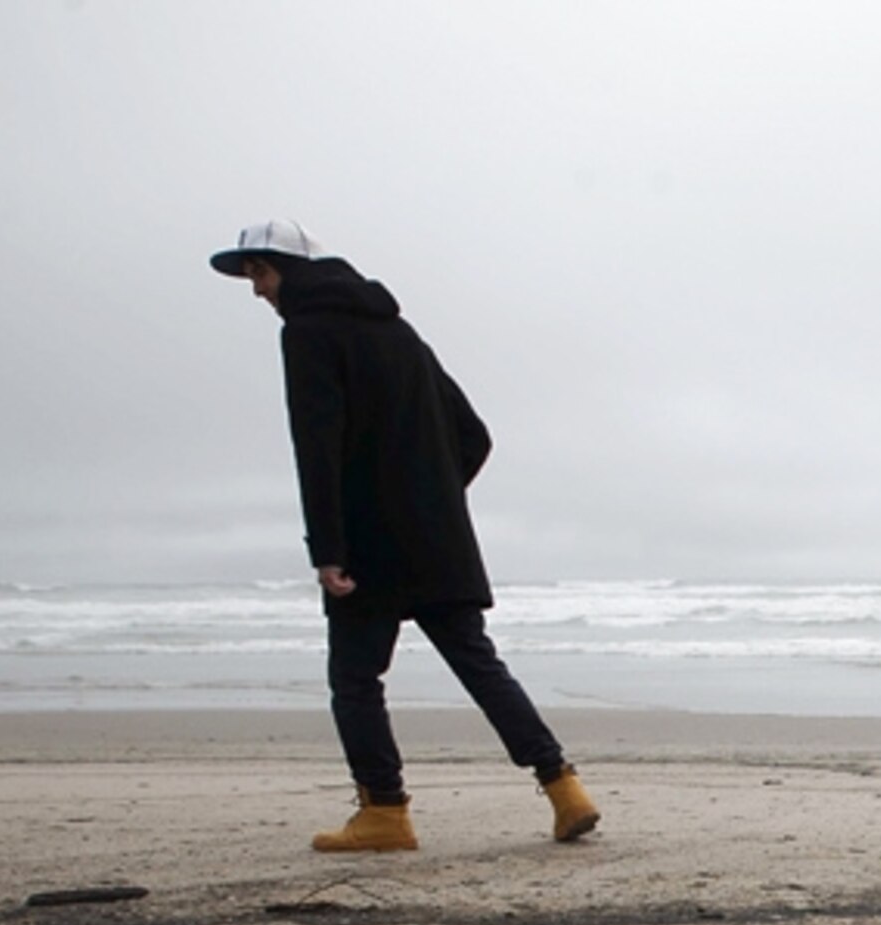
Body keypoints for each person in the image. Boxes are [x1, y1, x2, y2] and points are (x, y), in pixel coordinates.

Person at [210, 221, 600, 853]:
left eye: (261, 272)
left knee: (355, 681)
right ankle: (563, 788)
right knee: (478, 665)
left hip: (366, 545)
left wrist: (328, 549)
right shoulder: (398, 330)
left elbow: (317, 444)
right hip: (437, 540)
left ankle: (385, 813)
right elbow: (473, 435)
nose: (256, 289)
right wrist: (431, 503)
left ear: (295, 270)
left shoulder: (307, 331)